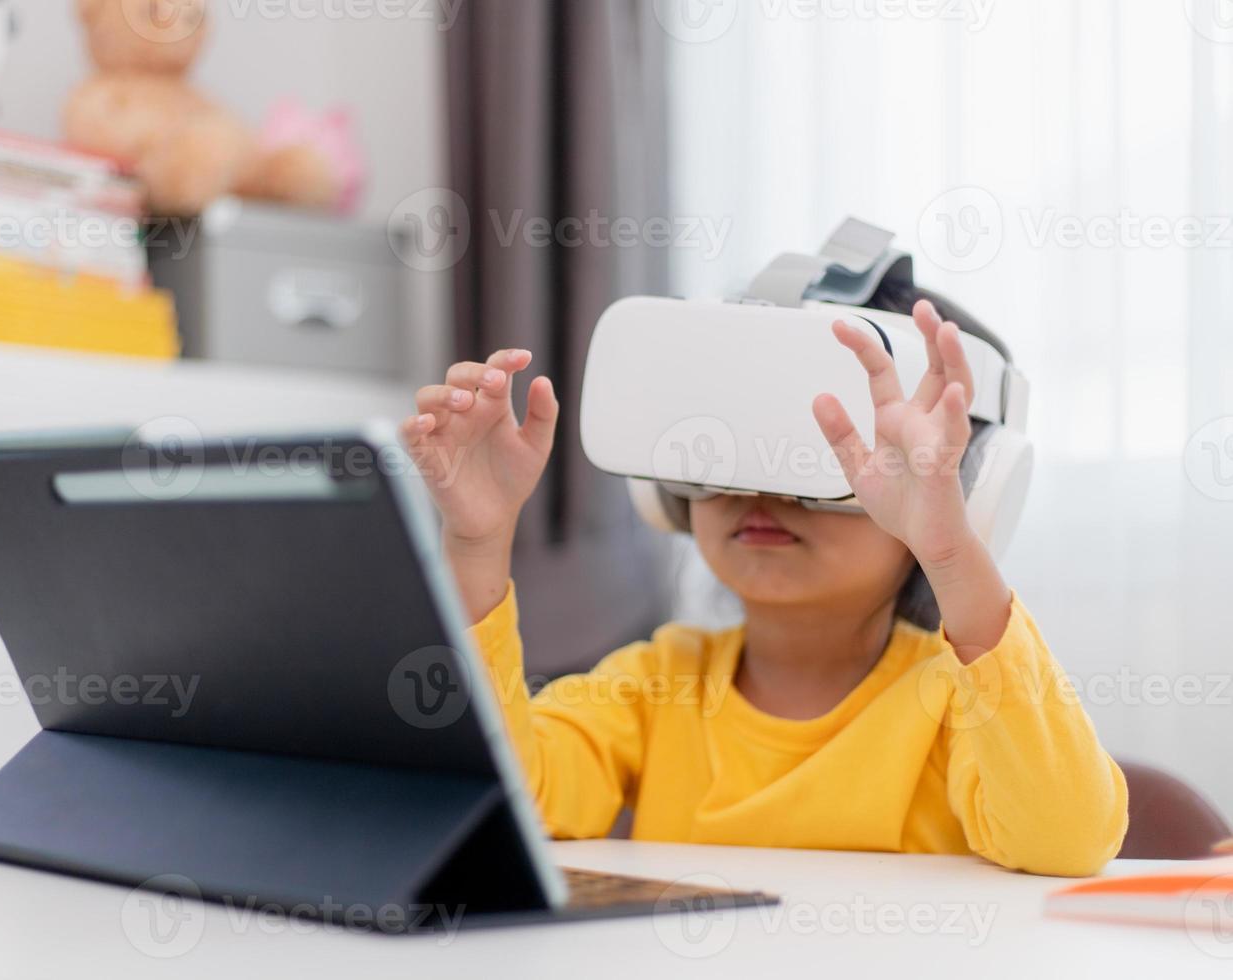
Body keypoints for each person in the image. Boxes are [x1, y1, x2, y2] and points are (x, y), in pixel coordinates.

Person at [401, 287, 1128, 877]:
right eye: (728, 447)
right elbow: (502, 800)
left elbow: (1063, 839)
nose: (760, 493)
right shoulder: (657, 685)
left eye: (820, 463)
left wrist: (950, 553)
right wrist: (477, 543)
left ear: (971, 489)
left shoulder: (955, 704)